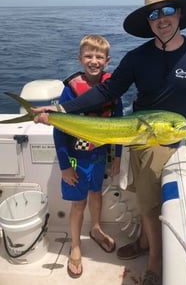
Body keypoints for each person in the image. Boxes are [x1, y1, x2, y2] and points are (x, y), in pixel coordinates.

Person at [33, 0, 186, 285]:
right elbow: (108, 90)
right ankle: (147, 243)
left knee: (147, 202)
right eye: (154, 13)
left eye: (168, 10)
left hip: (173, 136)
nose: (162, 18)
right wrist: (63, 111)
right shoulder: (136, 57)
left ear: (180, 14)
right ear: (148, 21)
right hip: (141, 137)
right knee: (145, 197)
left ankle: (155, 263)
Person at [54, 34, 122, 278]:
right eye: (89, 56)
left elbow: (119, 127)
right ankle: (74, 246)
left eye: (99, 56)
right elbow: (59, 129)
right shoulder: (69, 91)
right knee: (78, 203)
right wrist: (65, 166)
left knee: (96, 194)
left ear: (107, 61)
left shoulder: (113, 89)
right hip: (75, 158)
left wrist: (117, 158)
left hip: (98, 156)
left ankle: (95, 229)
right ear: (80, 58)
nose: (94, 61)